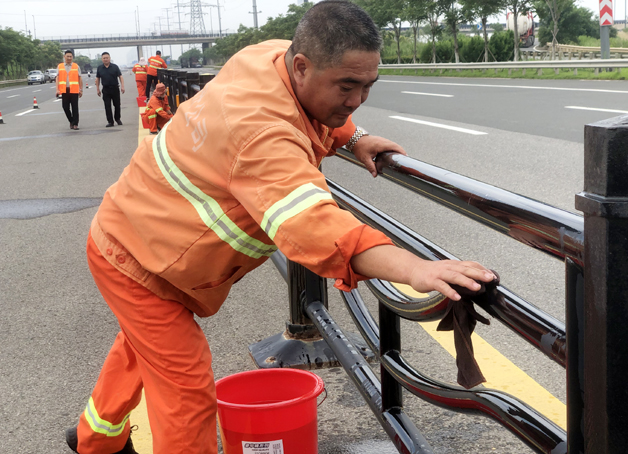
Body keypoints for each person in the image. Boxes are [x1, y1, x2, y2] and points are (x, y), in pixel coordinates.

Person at [65, 2, 495, 453]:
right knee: (186, 390)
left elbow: (309, 107)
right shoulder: (259, 134)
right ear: (302, 66)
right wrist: (416, 269)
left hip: (143, 236)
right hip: (135, 258)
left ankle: (95, 440)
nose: (356, 100)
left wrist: (352, 136)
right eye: (347, 86)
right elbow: (318, 227)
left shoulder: (270, 56)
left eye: (368, 86)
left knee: (143, 345)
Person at [95, 52, 125, 127]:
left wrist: (122, 86)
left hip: (115, 88)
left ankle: (117, 118)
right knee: (107, 106)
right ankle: (110, 121)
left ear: (110, 58)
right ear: (102, 59)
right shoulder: (100, 68)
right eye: (104, 58)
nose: (106, 59)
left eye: (107, 58)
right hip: (106, 90)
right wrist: (98, 89)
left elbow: (120, 76)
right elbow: (97, 78)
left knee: (117, 105)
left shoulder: (115, 67)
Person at [55, 49, 83, 130]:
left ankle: (75, 124)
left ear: (72, 57)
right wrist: (57, 90)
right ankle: (71, 121)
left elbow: (80, 78)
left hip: (74, 90)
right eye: (68, 56)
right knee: (65, 107)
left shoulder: (76, 66)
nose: (69, 58)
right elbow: (57, 78)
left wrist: (81, 90)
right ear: (64, 57)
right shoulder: (60, 66)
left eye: (70, 56)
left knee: (75, 107)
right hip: (64, 90)